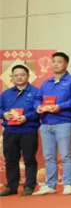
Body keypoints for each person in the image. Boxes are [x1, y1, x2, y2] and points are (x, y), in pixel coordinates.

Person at [33, 52, 71, 196]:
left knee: (66, 154)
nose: (55, 64)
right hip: (46, 122)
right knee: (49, 156)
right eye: (53, 61)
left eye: (59, 61)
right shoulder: (46, 82)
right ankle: (50, 185)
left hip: (63, 122)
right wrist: (38, 107)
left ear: (66, 64)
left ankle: (68, 184)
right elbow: (38, 98)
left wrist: (60, 107)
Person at [0, 65, 40, 197]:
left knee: (29, 159)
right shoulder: (6, 94)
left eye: (22, 75)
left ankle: (29, 186)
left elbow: (39, 110)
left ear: (28, 76)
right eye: (16, 75)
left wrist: (26, 117)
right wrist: (3, 114)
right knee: (10, 160)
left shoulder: (36, 92)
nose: (19, 77)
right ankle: (12, 187)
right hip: (10, 131)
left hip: (28, 130)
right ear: (12, 77)